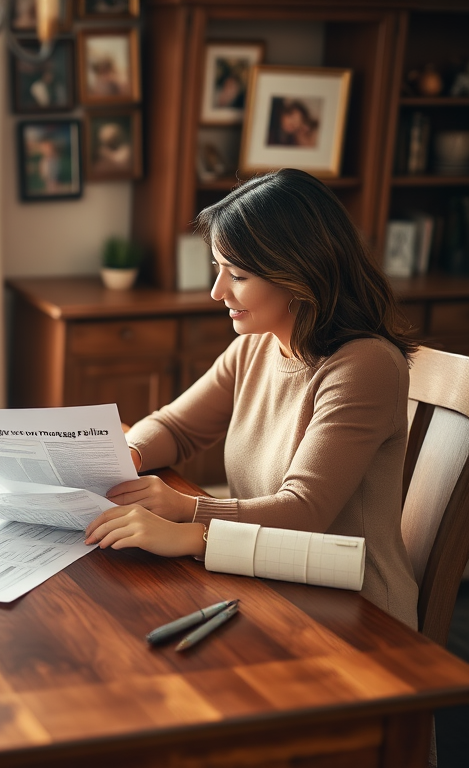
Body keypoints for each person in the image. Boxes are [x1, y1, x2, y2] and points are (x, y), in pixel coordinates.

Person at [84, 169, 420, 629]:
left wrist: (186, 515)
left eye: (238, 275)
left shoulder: (365, 366)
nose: (217, 292)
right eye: (218, 269)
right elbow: (177, 427)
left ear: (301, 274)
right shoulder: (257, 344)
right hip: (261, 576)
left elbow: (303, 510)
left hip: (355, 611)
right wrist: (128, 454)